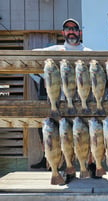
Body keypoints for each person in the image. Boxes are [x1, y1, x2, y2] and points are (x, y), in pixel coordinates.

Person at [31, 18, 100, 179]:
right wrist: (54, 55)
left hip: (82, 103)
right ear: (63, 33)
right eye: (67, 29)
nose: (71, 31)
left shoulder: (88, 52)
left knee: (84, 137)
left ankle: (89, 165)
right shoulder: (56, 49)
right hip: (61, 103)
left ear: (79, 32)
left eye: (74, 29)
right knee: (63, 137)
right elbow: (33, 55)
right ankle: (66, 169)